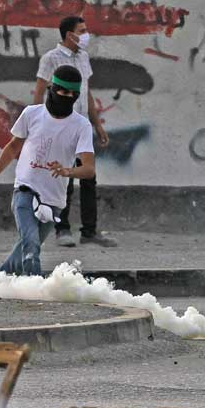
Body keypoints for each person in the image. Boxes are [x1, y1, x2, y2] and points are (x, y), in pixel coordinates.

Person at [0, 65, 95, 276]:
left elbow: (89, 168)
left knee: (24, 251)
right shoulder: (32, 114)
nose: (68, 97)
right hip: (25, 191)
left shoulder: (81, 126)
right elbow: (12, 148)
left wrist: (67, 171)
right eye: (63, 92)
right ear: (52, 89)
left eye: (73, 94)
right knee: (31, 245)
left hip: (53, 202)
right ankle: (36, 293)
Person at [33, 15, 117, 248]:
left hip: (81, 127)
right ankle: (62, 230)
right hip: (60, 125)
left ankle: (89, 232)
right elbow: (39, 92)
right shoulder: (51, 59)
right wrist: (39, 125)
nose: (86, 34)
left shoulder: (83, 57)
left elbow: (86, 92)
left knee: (88, 177)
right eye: (82, 30)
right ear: (70, 35)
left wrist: (97, 124)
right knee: (65, 178)